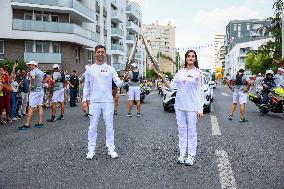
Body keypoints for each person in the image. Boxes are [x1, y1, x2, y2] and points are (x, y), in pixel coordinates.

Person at [82, 45, 128, 160]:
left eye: (102, 52)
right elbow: (86, 87)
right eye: (98, 52)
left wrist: (125, 80)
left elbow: (118, 84)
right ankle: (91, 150)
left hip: (108, 101)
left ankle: (111, 149)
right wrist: (84, 100)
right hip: (94, 102)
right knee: (92, 127)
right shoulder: (89, 69)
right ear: (95, 53)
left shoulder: (110, 69)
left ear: (105, 54)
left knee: (110, 126)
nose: (100, 54)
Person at [159, 50, 203, 166]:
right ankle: (182, 154)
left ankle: (191, 155)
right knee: (182, 131)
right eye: (189, 56)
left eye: (193, 56)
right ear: (186, 58)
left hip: (192, 106)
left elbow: (200, 91)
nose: (191, 58)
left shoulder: (198, 73)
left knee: (192, 132)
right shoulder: (180, 72)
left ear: (195, 59)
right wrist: (163, 78)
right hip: (179, 106)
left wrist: (200, 108)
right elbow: (172, 87)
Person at [18, 61, 44, 130]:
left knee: (31, 107)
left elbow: (32, 78)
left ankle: (27, 124)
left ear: (34, 65)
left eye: (30, 65)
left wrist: (32, 85)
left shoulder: (32, 71)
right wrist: (41, 83)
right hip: (40, 91)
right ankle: (40, 123)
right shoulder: (41, 71)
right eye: (28, 65)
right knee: (40, 106)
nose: (29, 66)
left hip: (34, 92)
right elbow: (46, 77)